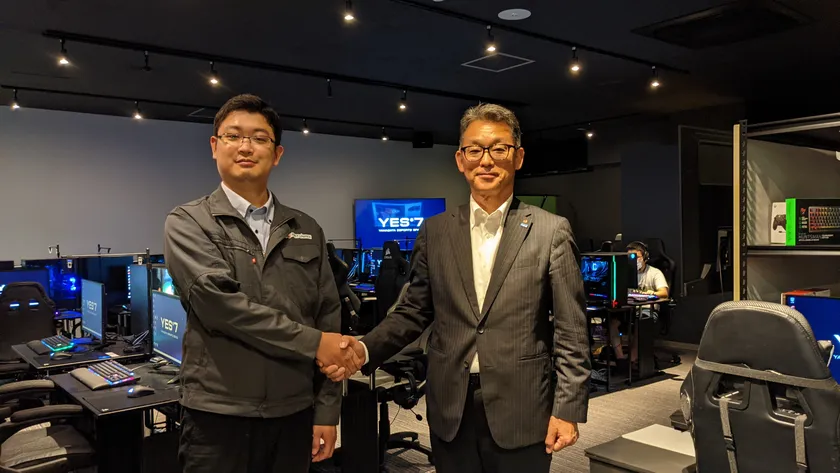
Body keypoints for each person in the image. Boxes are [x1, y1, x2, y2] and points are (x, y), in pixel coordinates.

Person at [322, 103, 591, 473]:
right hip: (451, 407)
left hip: (523, 407)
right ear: (460, 160)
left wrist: (568, 408)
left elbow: (571, 329)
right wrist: (364, 349)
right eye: (475, 150)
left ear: (518, 157)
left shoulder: (551, 231)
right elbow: (413, 311)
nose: (486, 160)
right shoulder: (435, 231)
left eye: (499, 149)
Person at [163, 94, 361, 473]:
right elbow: (221, 308)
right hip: (218, 415)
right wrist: (316, 343)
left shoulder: (306, 228)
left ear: (277, 153)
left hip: (294, 412)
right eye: (233, 136)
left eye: (259, 138)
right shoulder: (190, 222)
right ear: (215, 146)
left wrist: (326, 411)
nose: (245, 147)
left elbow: (328, 317)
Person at [608, 241, 669, 363]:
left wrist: (650, 293)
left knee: (639, 323)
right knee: (612, 323)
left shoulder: (655, 273)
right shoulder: (625, 273)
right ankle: (620, 359)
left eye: (637, 257)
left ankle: (633, 359)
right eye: (630, 257)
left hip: (647, 310)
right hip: (628, 309)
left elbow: (664, 293)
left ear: (645, 257)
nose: (634, 260)